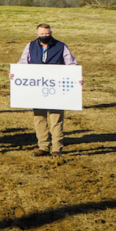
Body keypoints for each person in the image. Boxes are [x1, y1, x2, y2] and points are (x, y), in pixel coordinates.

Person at [12, 23, 82, 158]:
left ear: (51, 33)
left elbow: (72, 65)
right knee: (39, 118)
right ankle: (43, 147)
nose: (45, 36)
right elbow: (22, 63)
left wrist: (77, 77)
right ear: (37, 34)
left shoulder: (61, 46)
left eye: (47, 34)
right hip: (37, 88)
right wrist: (15, 73)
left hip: (57, 89)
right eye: (42, 34)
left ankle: (56, 149)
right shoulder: (30, 46)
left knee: (56, 119)